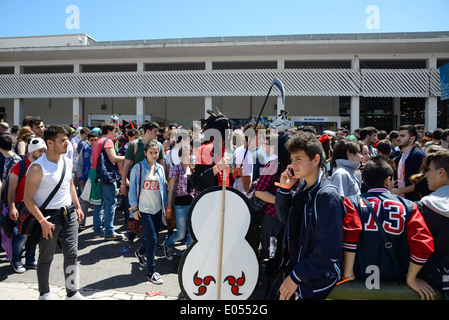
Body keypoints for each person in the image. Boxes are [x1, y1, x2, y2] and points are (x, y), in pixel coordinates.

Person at [342, 156, 435, 300]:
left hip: (360, 279)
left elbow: (349, 239)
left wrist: (348, 275)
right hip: (396, 280)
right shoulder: (409, 206)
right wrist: (411, 278)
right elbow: (423, 245)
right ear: (388, 180)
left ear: (365, 180)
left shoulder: (352, 203)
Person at [269, 132, 345, 300]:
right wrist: (284, 189)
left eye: (299, 159)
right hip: (295, 270)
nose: (292, 164)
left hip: (310, 279)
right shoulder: (303, 187)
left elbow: (328, 251)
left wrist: (296, 277)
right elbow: (284, 218)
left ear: (316, 159)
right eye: (292, 159)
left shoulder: (327, 195)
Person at [23, 125, 85, 300]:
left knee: (72, 254)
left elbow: (70, 185)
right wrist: (42, 221)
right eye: (62, 140)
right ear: (49, 143)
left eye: (67, 139)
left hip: (69, 214)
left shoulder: (67, 160)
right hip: (48, 217)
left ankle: (72, 292)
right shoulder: (37, 167)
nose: (67, 143)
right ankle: (44, 293)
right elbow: (28, 199)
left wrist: (78, 206)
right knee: (46, 256)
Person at [128, 140, 167, 284]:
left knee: (153, 237)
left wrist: (165, 208)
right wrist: (134, 208)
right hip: (144, 209)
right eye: (151, 152)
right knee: (152, 240)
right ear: (145, 153)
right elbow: (132, 189)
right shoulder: (138, 168)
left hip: (157, 209)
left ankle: (140, 252)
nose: (154, 155)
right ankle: (151, 271)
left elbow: (162, 189)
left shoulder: (160, 168)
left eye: (156, 152)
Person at [8, 138, 47, 273]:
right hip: (22, 204)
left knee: (35, 234)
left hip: (39, 204)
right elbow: (11, 189)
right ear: (31, 150)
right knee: (22, 235)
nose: (43, 153)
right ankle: (16, 260)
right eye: (40, 150)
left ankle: (30, 259)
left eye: (44, 151)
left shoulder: (44, 165)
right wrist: (12, 207)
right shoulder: (20, 166)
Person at [417, 149, 449, 296]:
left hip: (433, 283)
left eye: (429, 170)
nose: (426, 175)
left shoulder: (424, 207)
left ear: (440, 172)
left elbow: (419, 248)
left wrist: (411, 277)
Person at [90, 122, 125, 240]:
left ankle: (97, 229)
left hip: (95, 174)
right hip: (106, 176)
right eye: (115, 131)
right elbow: (114, 158)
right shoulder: (108, 141)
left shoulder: (97, 141)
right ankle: (109, 232)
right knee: (110, 203)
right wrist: (129, 157)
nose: (116, 134)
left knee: (98, 204)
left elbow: (91, 159)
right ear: (109, 131)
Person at [163, 144, 195, 260]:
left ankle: (187, 256)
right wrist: (169, 208)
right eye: (185, 154)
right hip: (180, 205)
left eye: (190, 154)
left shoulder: (193, 168)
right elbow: (171, 189)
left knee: (191, 232)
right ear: (180, 156)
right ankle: (167, 244)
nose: (188, 156)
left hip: (192, 204)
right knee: (181, 234)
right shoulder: (175, 169)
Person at [392, 124, 426, 201]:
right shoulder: (400, 155)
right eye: (398, 135)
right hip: (402, 201)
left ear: (412, 138)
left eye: (402, 136)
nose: (398, 138)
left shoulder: (418, 155)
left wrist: (399, 191)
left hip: (414, 201)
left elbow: (421, 183)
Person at [76, 131, 98, 230]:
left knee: (98, 202)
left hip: (98, 180)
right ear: (88, 140)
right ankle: (82, 222)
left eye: (95, 140)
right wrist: (80, 177)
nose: (93, 142)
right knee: (84, 201)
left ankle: (98, 223)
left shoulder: (101, 150)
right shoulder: (84, 149)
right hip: (85, 180)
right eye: (91, 140)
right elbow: (79, 164)